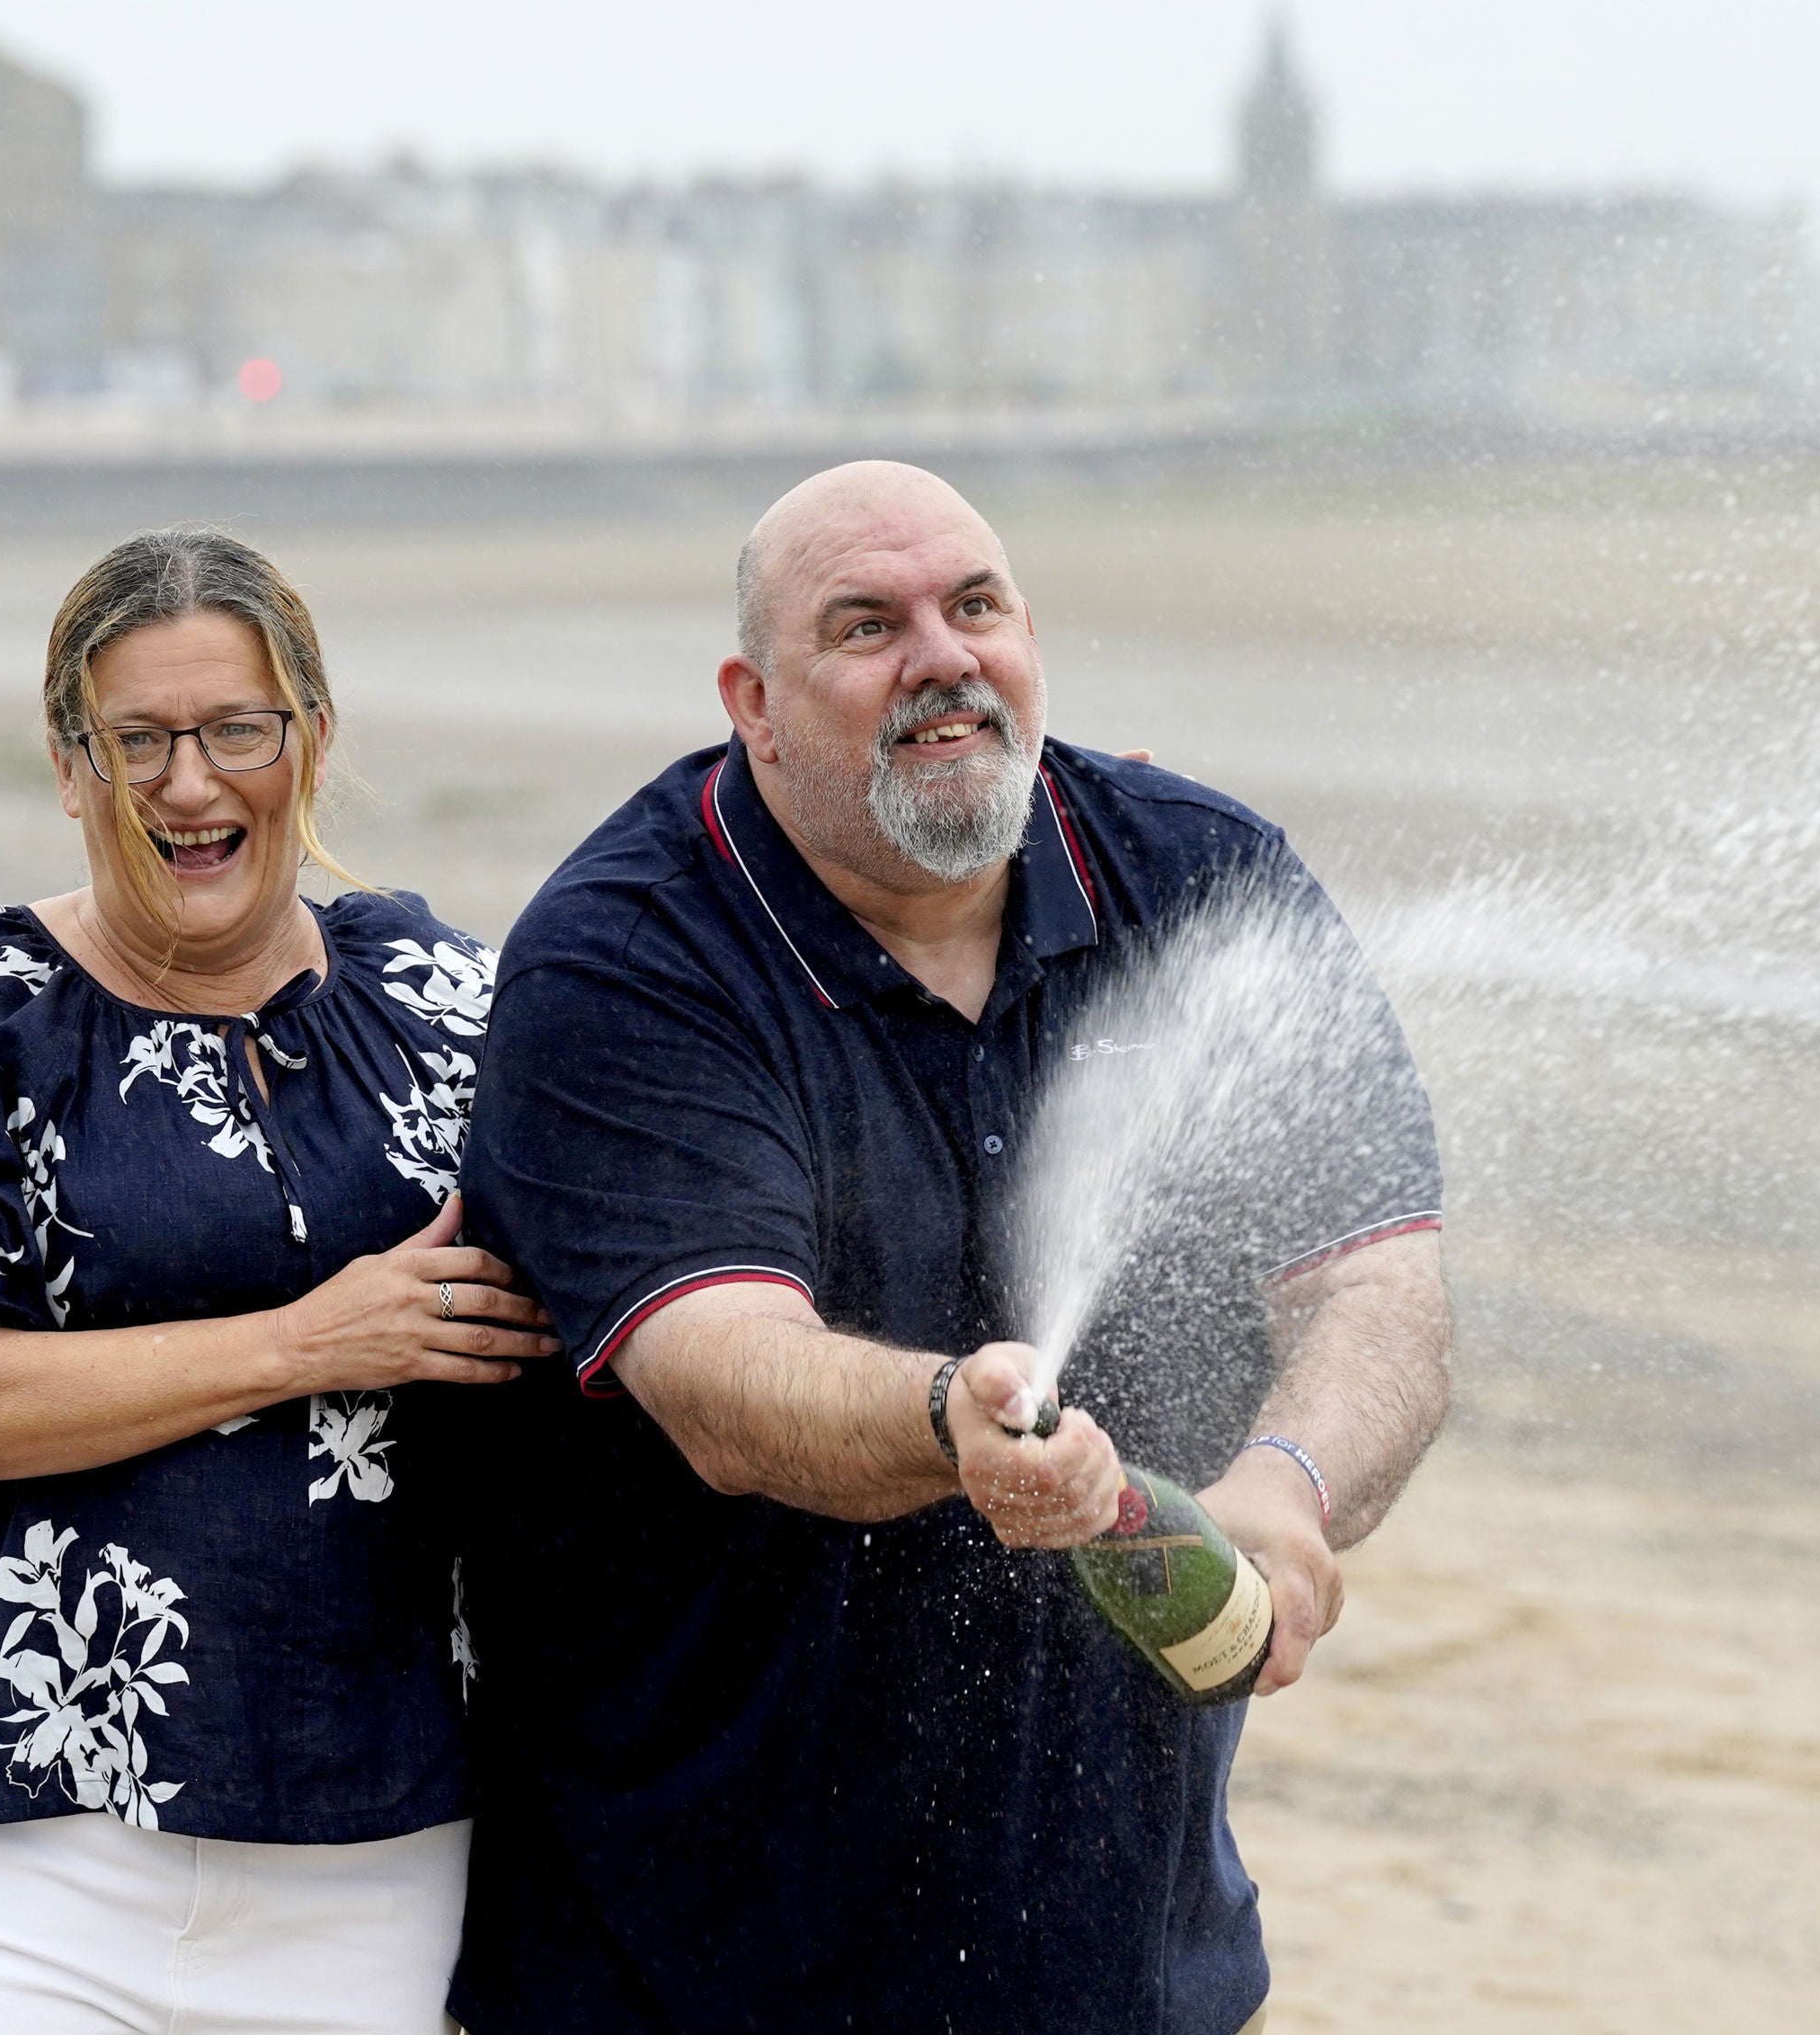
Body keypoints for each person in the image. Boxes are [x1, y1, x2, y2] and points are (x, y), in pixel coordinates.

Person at [449, 461, 1452, 2034]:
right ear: (755, 701)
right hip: (693, 1968)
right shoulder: (627, 958)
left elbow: (1380, 1285)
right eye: (866, 625)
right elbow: (719, 1380)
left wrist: (1294, 1489)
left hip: (1135, 1967)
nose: (942, 656)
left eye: (974, 606)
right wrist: (949, 1422)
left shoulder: (1201, 881)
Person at [0, 526, 557, 2034]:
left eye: (236, 731)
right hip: (5, 1820)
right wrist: (303, 1343)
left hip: (371, 1823)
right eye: (140, 740)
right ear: (72, 766)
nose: (192, 784)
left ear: (310, 740)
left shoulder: (448, 996)